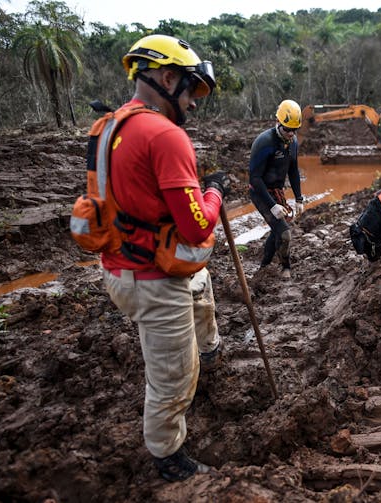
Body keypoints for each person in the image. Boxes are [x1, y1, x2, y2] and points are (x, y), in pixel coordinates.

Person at [100, 34, 231, 482]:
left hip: (121, 266)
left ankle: (210, 351)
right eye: (192, 90)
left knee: (202, 285)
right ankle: (168, 456)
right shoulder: (165, 135)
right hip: (152, 279)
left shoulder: (111, 127)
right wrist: (213, 192)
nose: (193, 103)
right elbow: (197, 227)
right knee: (174, 378)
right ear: (167, 77)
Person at [248, 99, 305, 279]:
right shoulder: (264, 143)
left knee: (276, 230)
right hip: (260, 192)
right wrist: (272, 205)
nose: (291, 134)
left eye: (294, 130)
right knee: (285, 234)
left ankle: (264, 266)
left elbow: (293, 170)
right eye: (287, 129)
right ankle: (285, 267)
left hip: (277, 192)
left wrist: (299, 198)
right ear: (278, 123)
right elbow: (254, 178)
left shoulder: (293, 143)